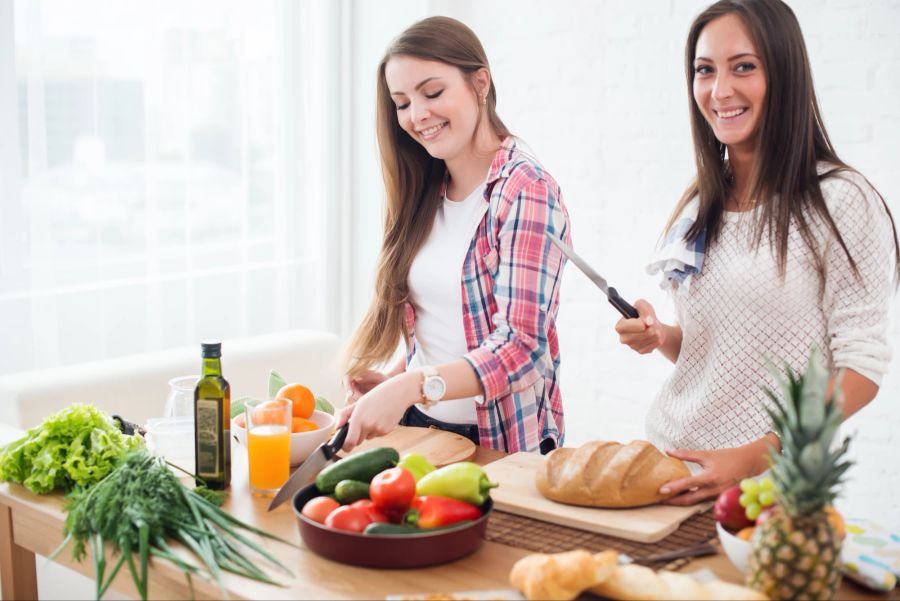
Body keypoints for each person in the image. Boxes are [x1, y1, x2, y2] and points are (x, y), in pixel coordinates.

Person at [616, 0, 899, 504]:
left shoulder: (841, 200)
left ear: (785, 73)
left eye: (743, 67)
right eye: (705, 71)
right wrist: (663, 336)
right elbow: (723, 353)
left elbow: (860, 371)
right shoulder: (702, 200)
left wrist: (754, 456)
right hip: (671, 466)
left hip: (766, 489)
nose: (720, 90)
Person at [337, 16, 571, 454]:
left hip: (495, 441)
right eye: (401, 102)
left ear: (480, 82)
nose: (416, 115)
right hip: (421, 430)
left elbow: (521, 348)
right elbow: (447, 324)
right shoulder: (425, 188)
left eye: (433, 92)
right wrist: (390, 385)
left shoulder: (526, 191)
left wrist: (411, 385)